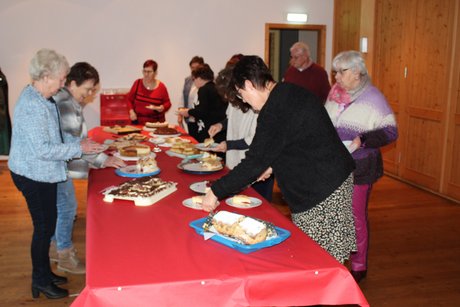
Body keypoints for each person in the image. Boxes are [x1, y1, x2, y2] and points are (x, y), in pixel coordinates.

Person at [201, 55, 356, 263]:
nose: (243, 100)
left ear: (249, 85)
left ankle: (330, 294)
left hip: (324, 189)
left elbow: (254, 162)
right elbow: (296, 141)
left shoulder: (275, 109)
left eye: (241, 94)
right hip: (331, 179)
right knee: (318, 257)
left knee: (322, 261)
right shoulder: (286, 92)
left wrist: (215, 191)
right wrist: (273, 165)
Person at [8, 49, 104, 299]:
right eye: (61, 79)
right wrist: (78, 147)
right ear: (46, 75)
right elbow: (42, 149)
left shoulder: (42, 98)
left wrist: (80, 146)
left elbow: (57, 137)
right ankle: (40, 280)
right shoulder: (32, 105)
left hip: (43, 173)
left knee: (48, 224)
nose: (63, 84)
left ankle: (45, 273)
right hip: (32, 174)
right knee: (43, 228)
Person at [325, 50, 398, 282]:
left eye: (341, 72)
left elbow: (390, 131)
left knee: (355, 216)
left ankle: (358, 264)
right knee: (334, 212)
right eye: (335, 71)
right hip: (334, 163)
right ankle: (335, 257)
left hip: (361, 165)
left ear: (357, 72)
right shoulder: (334, 94)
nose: (336, 77)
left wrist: (362, 140)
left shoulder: (373, 97)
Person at [49, 62, 126, 274]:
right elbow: (75, 144)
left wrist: (100, 155)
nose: (90, 94)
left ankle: (56, 248)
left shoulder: (68, 101)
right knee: (66, 209)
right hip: (58, 168)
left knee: (60, 209)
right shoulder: (65, 103)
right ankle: (64, 254)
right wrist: (102, 160)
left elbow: (80, 142)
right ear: (73, 83)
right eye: (88, 89)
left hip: (57, 166)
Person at [209, 57, 274, 201]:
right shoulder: (235, 103)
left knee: (258, 204)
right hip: (237, 164)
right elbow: (230, 119)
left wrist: (229, 145)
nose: (227, 99)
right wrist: (220, 125)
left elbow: (253, 140)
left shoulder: (257, 108)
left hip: (254, 168)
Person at [177, 64, 227, 143]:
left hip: (209, 130)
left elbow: (202, 111)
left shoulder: (203, 89)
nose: (194, 82)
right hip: (219, 130)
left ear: (199, 78)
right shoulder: (216, 87)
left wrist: (188, 112)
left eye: (194, 79)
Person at [127, 59, 172, 124]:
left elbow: (168, 103)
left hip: (156, 124)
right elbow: (129, 100)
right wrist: (131, 112)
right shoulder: (137, 83)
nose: (146, 74)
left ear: (155, 73)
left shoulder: (161, 87)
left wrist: (162, 107)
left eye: (149, 72)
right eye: (144, 71)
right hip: (138, 122)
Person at [178, 56, 204, 133]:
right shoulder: (188, 80)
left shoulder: (206, 81)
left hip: (202, 119)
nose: (194, 70)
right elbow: (183, 98)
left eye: (197, 67)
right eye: (192, 68)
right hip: (190, 118)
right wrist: (180, 114)